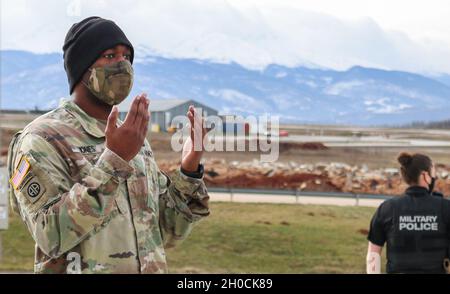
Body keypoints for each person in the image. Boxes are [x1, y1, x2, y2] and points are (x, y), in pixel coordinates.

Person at [7, 16, 210, 274]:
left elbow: (165, 233)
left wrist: (189, 170)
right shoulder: (40, 139)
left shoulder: (133, 140)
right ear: (83, 67)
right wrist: (114, 161)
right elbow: (51, 237)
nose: (122, 65)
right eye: (110, 55)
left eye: (126, 56)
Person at [366, 152, 450, 274]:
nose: (434, 178)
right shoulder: (445, 208)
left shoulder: (387, 208)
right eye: (433, 174)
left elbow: (373, 254)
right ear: (425, 176)